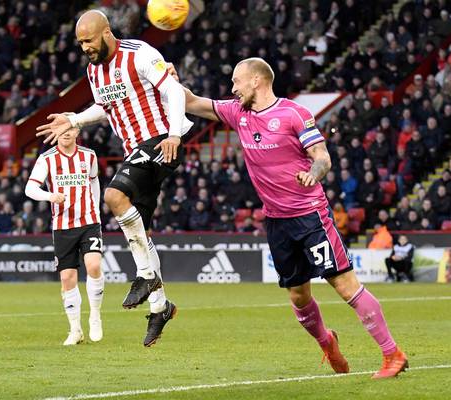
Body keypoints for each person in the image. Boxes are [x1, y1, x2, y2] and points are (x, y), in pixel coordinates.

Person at [173, 58, 408, 379]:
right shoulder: (237, 113)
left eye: (236, 81)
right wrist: (165, 79)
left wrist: (313, 173)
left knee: (344, 285)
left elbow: (322, 158)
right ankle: (327, 343)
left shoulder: (294, 114)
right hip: (276, 222)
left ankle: (392, 353)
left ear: (256, 81)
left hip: (310, 216)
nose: (232, 88)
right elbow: (191, 102)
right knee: (298, 296)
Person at [35, 10, 191, 347]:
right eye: (80, 43)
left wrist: (175, 136)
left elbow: (175, 93)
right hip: (137, 148)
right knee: (142, 234)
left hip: (162, 139)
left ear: (106, 32)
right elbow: (105, 107)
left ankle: (146, 276)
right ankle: (160, 307)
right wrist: (74, 120)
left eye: (89, 40)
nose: (85, 47)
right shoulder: (93, 71)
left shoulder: (141, 54)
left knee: (114, 196)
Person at [25, 127, 104, 346]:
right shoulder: (46, 159)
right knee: (67, 278)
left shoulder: (89, 155)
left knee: (94, 265)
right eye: (61, 130)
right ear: (55, 134)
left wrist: (95, 209)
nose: (66, 133)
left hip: (89, 221)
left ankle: (95, 315)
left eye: (70, 128)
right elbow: (30, 189)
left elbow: (94, 181)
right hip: (62, 226)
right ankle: (75, 330)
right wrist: (50, 196)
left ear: (77, 131)